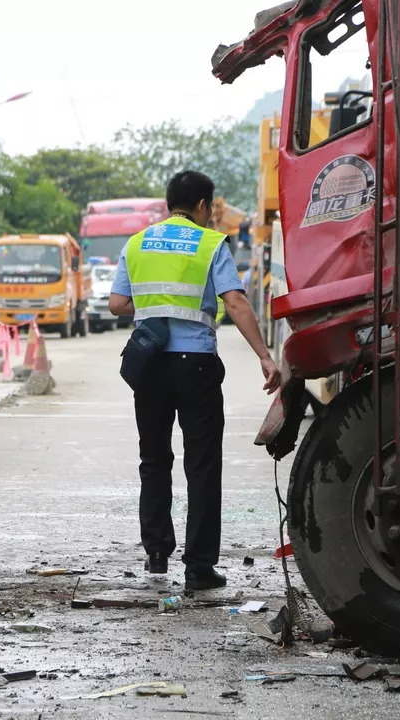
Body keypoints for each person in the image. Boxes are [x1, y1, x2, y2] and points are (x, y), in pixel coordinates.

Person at [108, 170, 282, 591]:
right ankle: (199, 567)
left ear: (170, 203)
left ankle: (155, 551)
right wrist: (264, 355)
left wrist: (154, 305)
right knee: (201, 466)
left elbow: (116, 305)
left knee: (154, 458)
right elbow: (236, 302)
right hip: (196, 364)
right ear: (204, 206)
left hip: (149, 365)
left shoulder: (137, 243)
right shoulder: (209, 244)